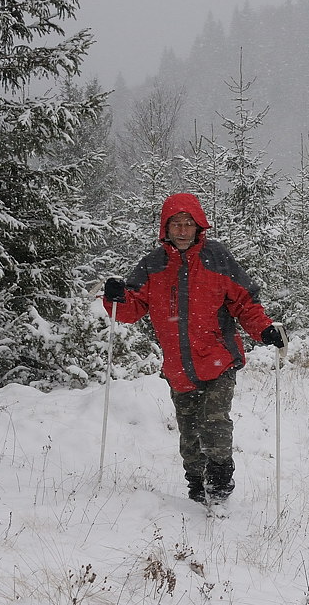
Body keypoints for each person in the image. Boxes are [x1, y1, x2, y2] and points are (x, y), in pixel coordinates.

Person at [102, 192, 286, 506]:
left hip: (218, 360)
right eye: (177, 224)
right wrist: (115, 297)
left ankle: (220, 481)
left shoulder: (217, 258)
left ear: (199, 226)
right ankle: (197, 491)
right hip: (178, 368)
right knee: (190, 440)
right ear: (166, 228)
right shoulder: (152, 266)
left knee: (213, 424)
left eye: (189, 223)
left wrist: (264, 329)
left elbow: (245, 302)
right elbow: (130, 310)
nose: (184, 230)